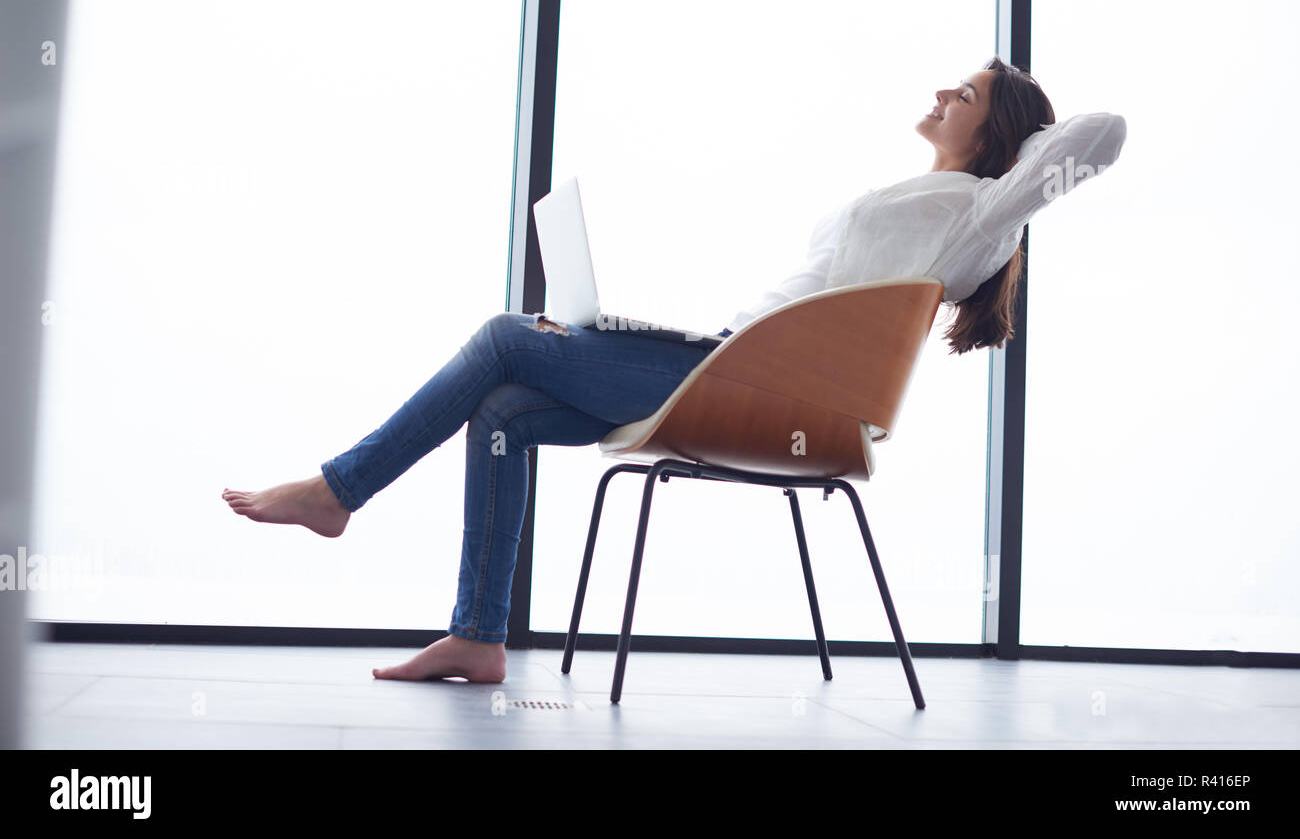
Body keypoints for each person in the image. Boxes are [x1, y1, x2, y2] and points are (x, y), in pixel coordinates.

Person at [220, 55, 1126, 683]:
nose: (941, 91)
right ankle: (477, 635)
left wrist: (1020, 145)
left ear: (999, 137)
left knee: (502, 336)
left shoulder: (981, 215)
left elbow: (1103, 132)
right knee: (501, 409)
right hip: (729, 366)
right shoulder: (940, 201)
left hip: (762, 394)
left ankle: (339, 492)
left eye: (963, 91)